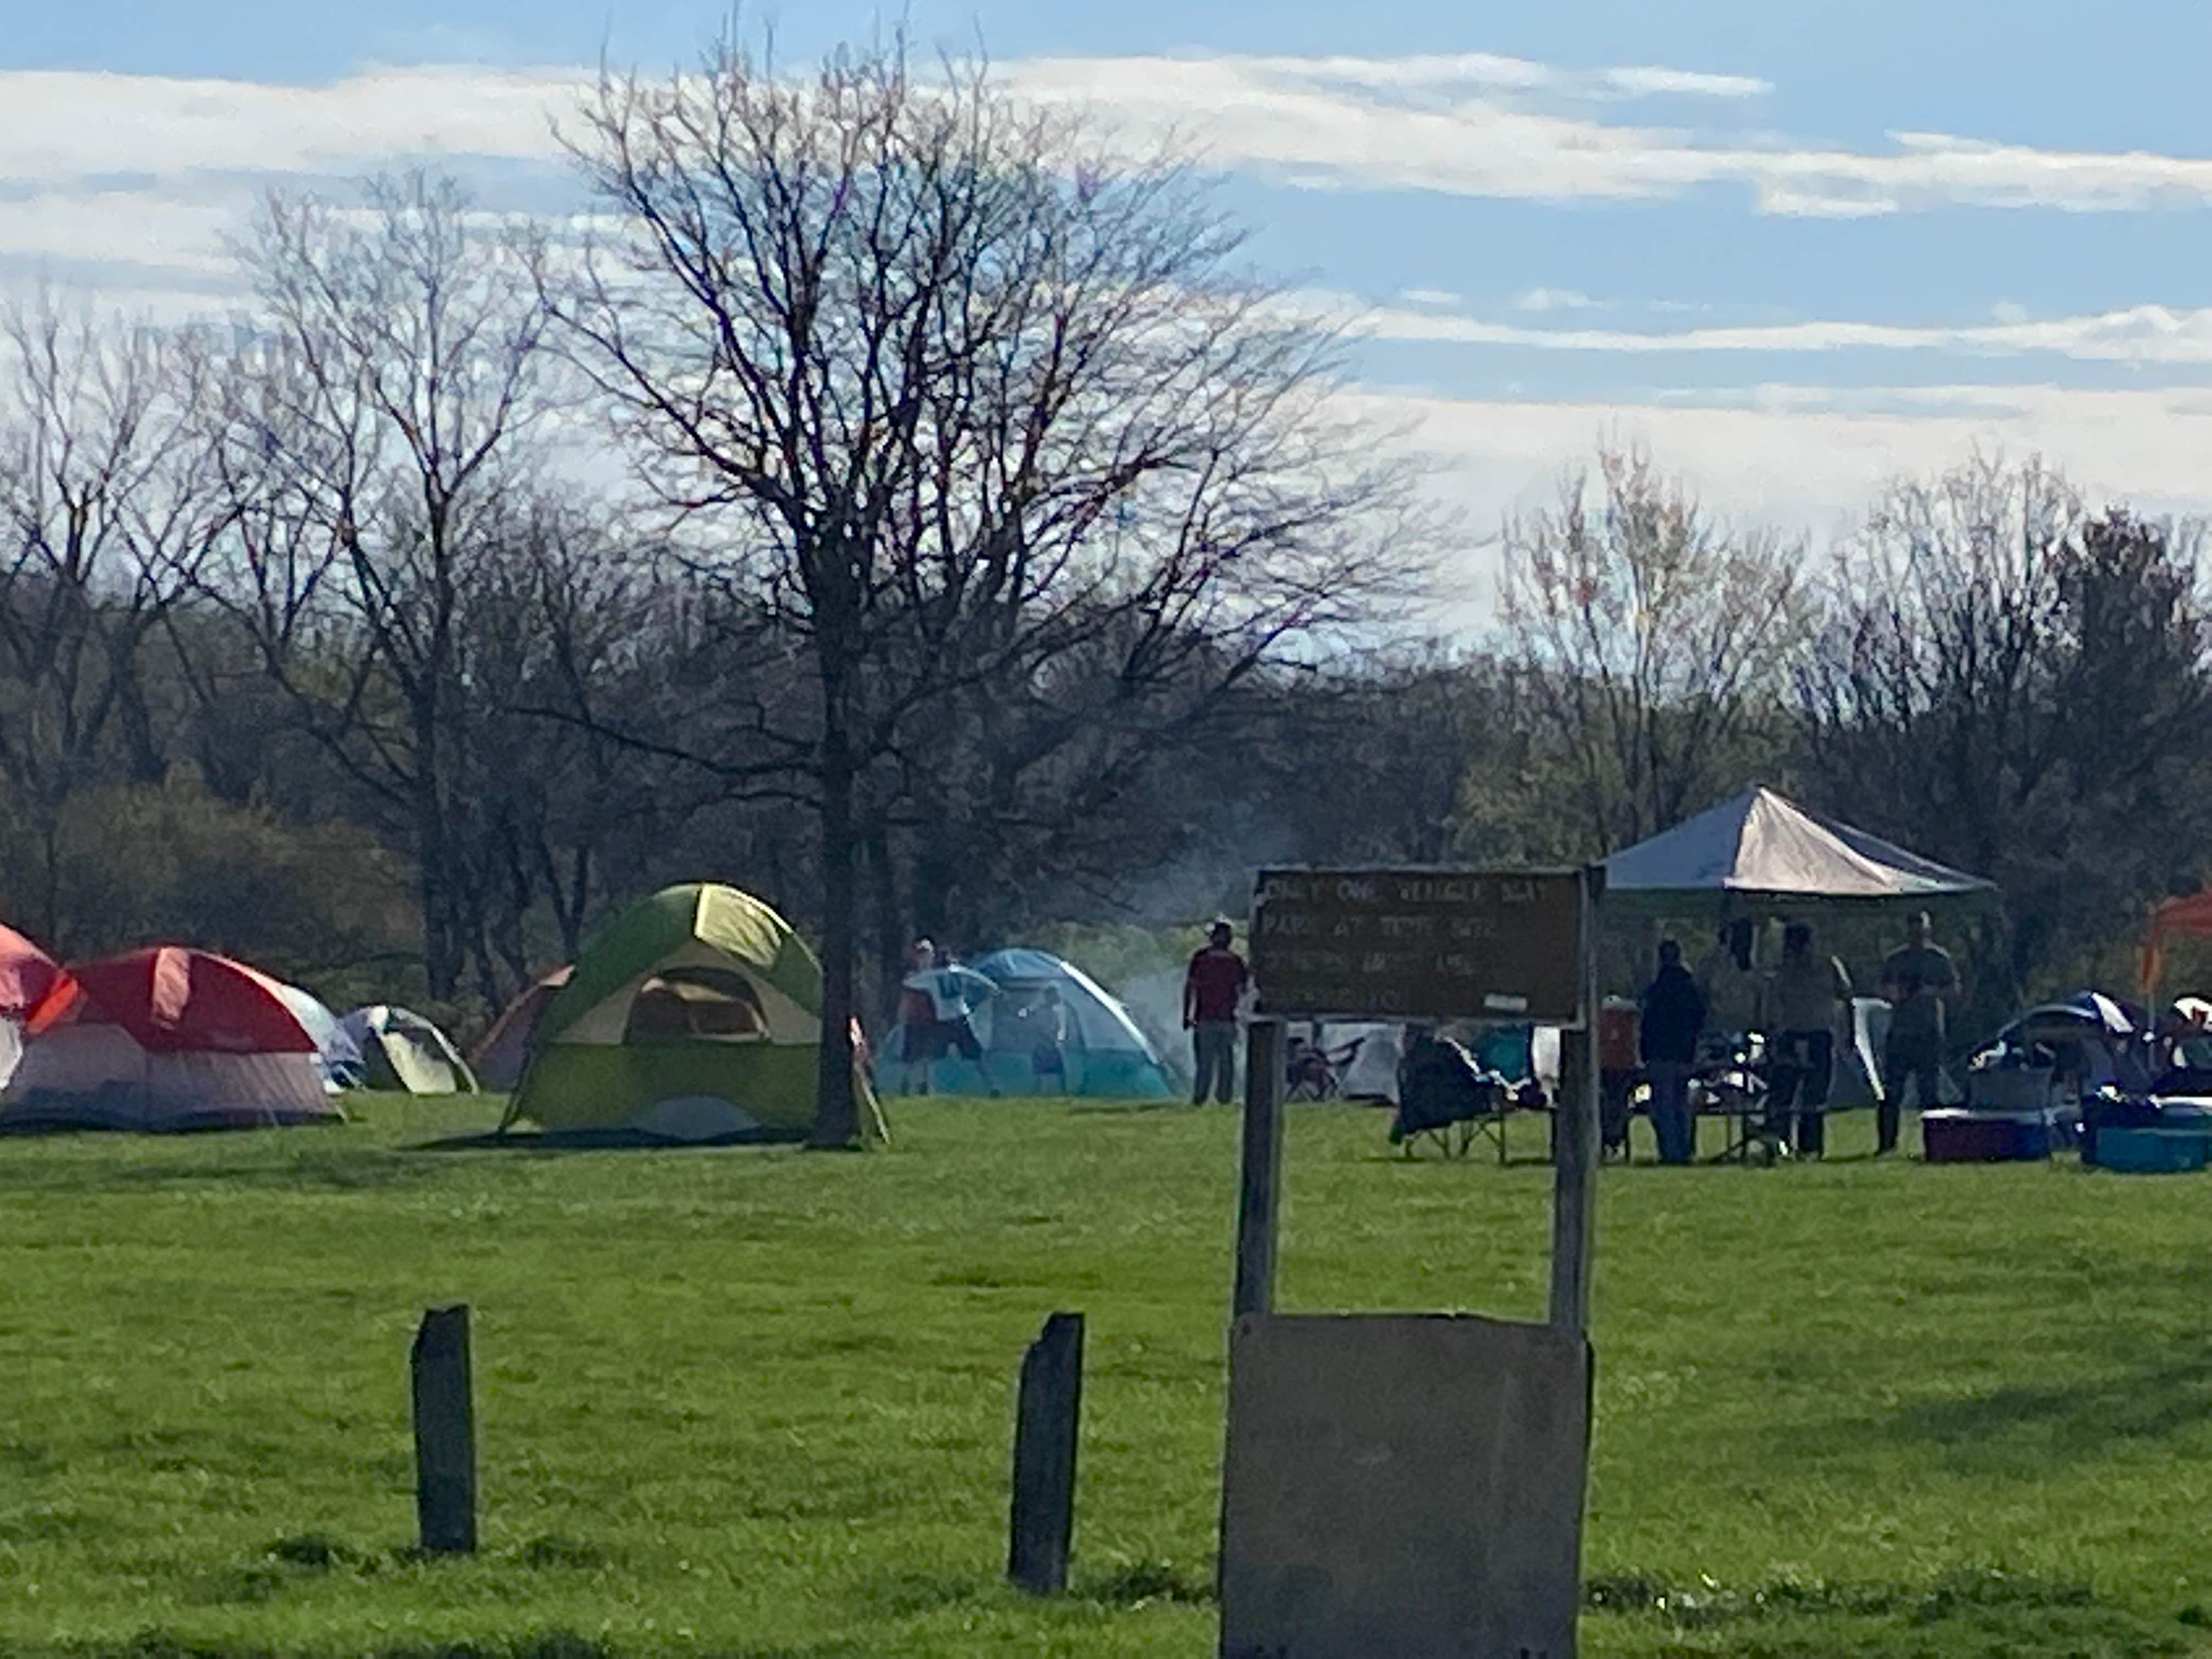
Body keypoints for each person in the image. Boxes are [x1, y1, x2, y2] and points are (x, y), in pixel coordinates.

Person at [1763, 922, 1852, 1158]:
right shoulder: (1782, 971)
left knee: (1815, 1095)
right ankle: (1780, 1144)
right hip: (1790, 1035)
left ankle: (1810, 1146)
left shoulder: (1828, 966)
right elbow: (1773, 1005)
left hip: (1819, 1034)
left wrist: (1850, 1033)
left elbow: (1846, 996)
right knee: (1784, 1093)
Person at [1878, 910, 1959, 1153]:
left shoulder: (1939, 959)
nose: (1917, 935)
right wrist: (1896, 993)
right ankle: (1887, 1144)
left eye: (1921, 930)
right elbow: (1883, 988)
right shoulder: (1896, 960)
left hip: (1928, 1031)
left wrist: (1931, 992)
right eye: (1913, 930)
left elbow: (1954, 991)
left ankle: (1935, 1144)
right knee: (1892, 1091)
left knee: (1929, 1092)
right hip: (1901, 1031)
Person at [1641, 939, 1706, 1164]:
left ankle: (1670, 1150)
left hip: (1660, 1053)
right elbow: (1699, 1020)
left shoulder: (1656, 990)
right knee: (1682, 1103)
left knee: (1664, 1105)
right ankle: (1685, 1148)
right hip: (1684, 1052)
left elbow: (1647, 1024)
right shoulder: (1690, 989)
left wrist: (1645, 1053)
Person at [1184, 919, 1248, 1105]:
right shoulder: (1235, 961)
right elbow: (1244, 991)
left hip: (1204, 1018)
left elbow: (1190, 988)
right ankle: (1224, 1097)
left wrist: (1187, 1015)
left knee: (1205, 1063)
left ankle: (1201, 1097)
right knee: (1226, 1062)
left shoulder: (1201, 958)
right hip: (1227, 1019)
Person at [1696, 918, 1762, 1046]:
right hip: (1717, 1029)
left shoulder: (1754, 973)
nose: (1742, 943)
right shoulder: (1714, 964)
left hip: (1746, 1030)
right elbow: (1702, 988)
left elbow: (1758, 1005)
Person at [894, 940, 941, 1096]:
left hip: (929, 1021)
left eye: (927, 955)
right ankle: (905, 1084)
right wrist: (902, 1018)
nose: (925, 959)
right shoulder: (912, 978)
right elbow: (906, 999)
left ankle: (925, 1085)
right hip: (914, 1021)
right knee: (910, 1057)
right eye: (921, 955)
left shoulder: (936, 977)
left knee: (927, 1056)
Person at [1028, 986, 1068, 1094]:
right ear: (1048, 997)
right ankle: (1036, 1094)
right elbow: (1041, 1029)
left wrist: (1057, 1039)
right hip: (1043, 1046)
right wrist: (1049, 1041)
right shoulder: (1041, 1012)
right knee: (1040, 1075)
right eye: (1055, 995)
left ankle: (1062, 1093)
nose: (1058, 997)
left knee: (1060, 1072)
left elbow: (1057, 1028)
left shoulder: (1055, 1011)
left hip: (1052, 1045)